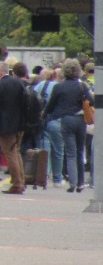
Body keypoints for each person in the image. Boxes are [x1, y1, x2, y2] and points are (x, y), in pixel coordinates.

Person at [44, 58, 89, 193]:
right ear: (78, 71)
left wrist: (45, 114)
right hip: (80, 120)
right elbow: (91, 100)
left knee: (70, 153)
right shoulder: (82, 86)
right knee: (80, 151)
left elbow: (50, 105)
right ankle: (81, 183)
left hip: (66, 120)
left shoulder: (59, 87)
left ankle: (73, 183)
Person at [0, 61, 27, 194]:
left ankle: (17, 184)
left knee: (10, 154)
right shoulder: (18, 83)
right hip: (19, 125)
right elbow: (25, 103)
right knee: (16, 152)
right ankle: (21, 181)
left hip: (6, 126)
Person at [37, 67, 65, 187]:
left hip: (43, 121)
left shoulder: (42, 85)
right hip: (58, 121)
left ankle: (44, 176)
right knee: (58, 150)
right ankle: (57, 178)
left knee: (44, 149)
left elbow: (32, 97)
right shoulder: (62, 88)